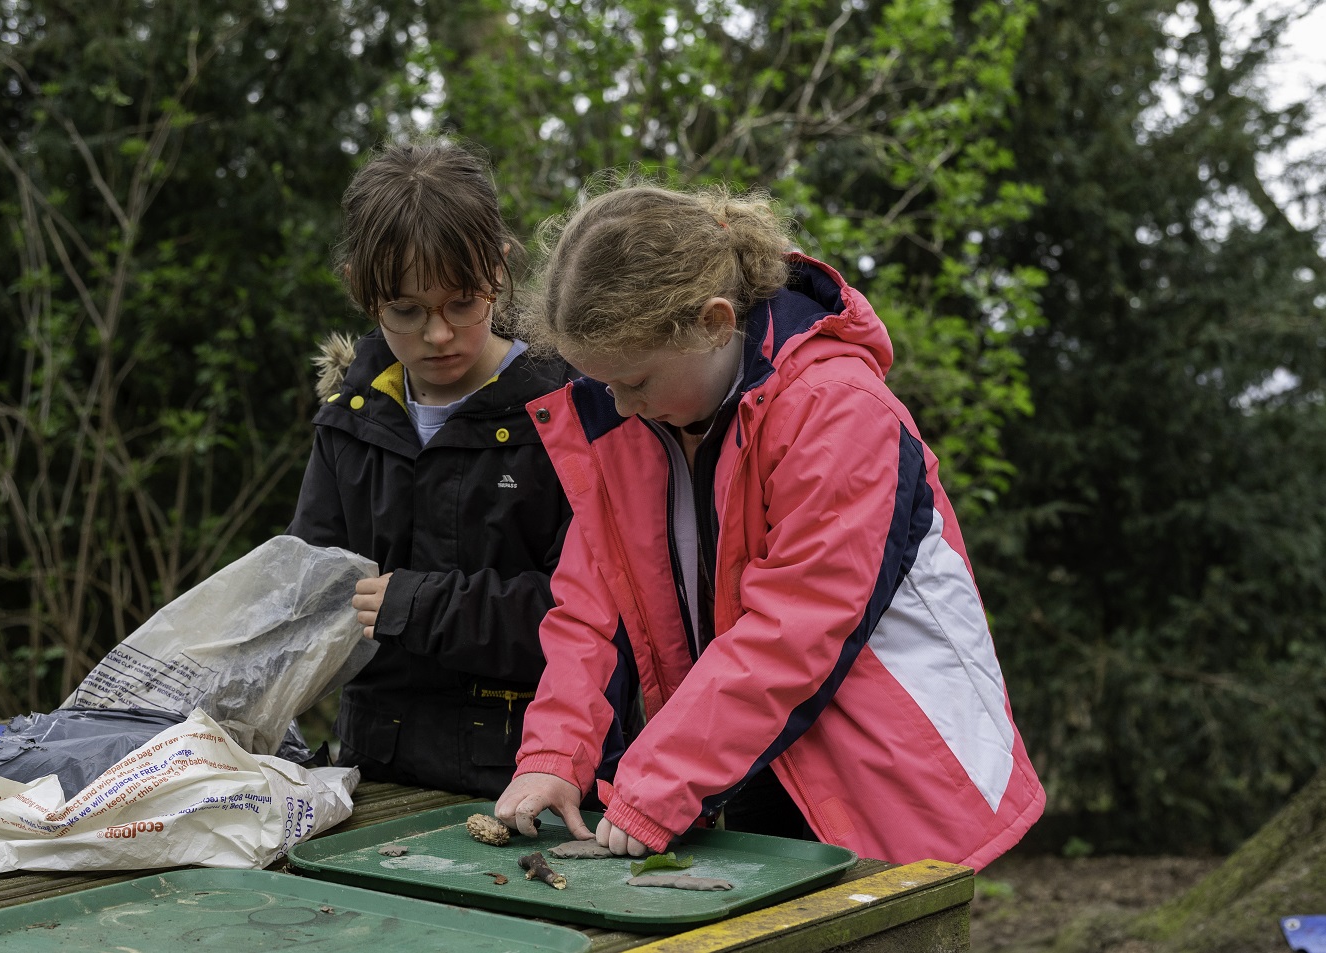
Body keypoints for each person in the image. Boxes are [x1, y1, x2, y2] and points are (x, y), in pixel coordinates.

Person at [493, 180, 1045, 870]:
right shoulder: (632, 418)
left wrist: (658, 781)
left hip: (888, 779)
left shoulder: (837, 407)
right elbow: (592, 608)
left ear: (714, 322)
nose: (622, 405)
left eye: (634, 380)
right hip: (745, 758)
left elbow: (796, 627)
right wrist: (556, 753)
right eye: (604, 383)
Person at [286, 137, 605, 799]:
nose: (438, 334)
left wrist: (419, 605)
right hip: (374, 776)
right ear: (360, 289)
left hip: (531, 779)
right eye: (406, 310)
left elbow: (595, 617)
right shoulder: (349, 420)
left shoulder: (569, 409)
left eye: (463, 302)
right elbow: (307, 609)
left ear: (499, 269)